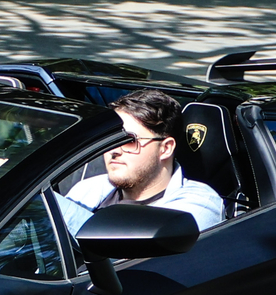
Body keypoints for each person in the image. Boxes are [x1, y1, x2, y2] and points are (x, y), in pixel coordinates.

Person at [56, 89, 226, 234]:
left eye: (129, 140)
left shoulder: (195, 206)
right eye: (110, 139)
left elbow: (126, 258)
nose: (114, 150)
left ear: (165, 148)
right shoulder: (87, 189)